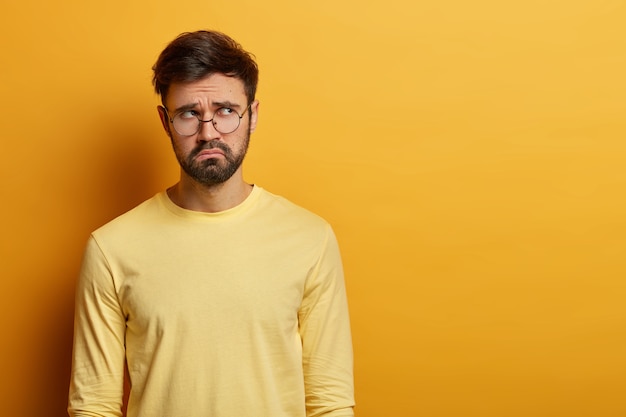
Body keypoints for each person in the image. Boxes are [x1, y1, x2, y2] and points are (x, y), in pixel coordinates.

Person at [68, 30, 355, 417]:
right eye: (189, 113)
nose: (208, 133)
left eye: (225, 111)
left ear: (252, 115)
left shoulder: (310, 239)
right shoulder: (111, 248)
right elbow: (93, 407)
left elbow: (330, 403)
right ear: (165, 121)